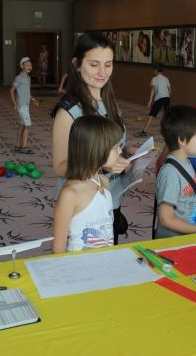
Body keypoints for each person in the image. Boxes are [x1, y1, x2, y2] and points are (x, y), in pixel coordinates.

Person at [52, 33, 131, 245]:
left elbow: (111, 143)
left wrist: (127, 153)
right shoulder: (68, 111)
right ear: (76, 64)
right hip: (83, 204)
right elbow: (60, 166)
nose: (102, 72)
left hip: (109, 196)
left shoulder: (109, 100)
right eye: (94, 64)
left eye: (108, 64)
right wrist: (104, 165)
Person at [52, 116, 123, 253]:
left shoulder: (103, 181)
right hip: (79, 264)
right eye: (115, 147)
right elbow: (57, 249)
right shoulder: (70, 194)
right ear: (97, 150)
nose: (120, 151)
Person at [154, 105, 196, 239]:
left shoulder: (187, 163)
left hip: (188, 236)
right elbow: (166, 219)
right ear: (182, 139)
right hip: (173, 242)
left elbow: (187, 196)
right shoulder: (170, 172)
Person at [11, 57, 39, 154]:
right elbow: (11, 90)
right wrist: (14, 103)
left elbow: (27, 92)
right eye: (27, 65)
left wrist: (33, 100)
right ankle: (24, 147)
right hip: (22, 106)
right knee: (27, 126)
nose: (29, 67)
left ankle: (17, 146)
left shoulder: (28, 78)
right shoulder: (19, 78)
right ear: (22, 66)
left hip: (26, 106)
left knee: (22, 126)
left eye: (30, 65)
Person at [134, 64, 171, 137]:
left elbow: (152, 90)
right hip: (167, 98)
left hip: (159, 98)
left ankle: (144, 132)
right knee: (166, 115)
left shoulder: (154, 79)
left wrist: (150, 101)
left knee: (152, 115)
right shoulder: (166, 78)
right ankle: (168, 131)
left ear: (156, 70)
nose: (153, 71)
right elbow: (170, 90)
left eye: (154, 70)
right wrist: (167, 97)